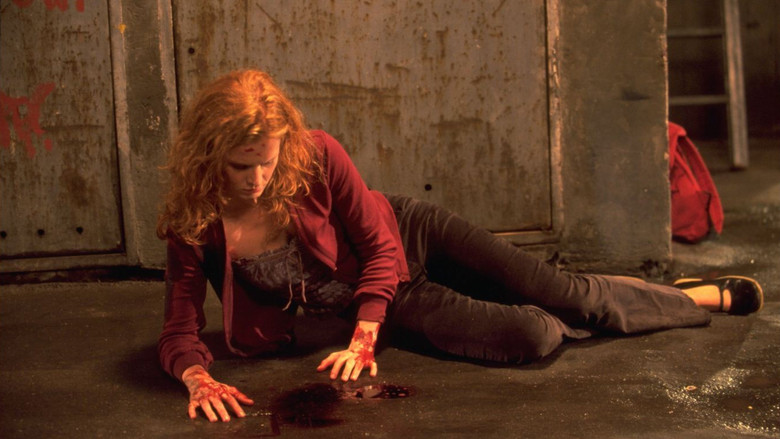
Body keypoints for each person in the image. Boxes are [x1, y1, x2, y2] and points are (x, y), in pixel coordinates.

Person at [156, 69, 763, 423]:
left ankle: (691, 299)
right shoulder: (195, 219)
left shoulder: (314, 153)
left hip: (409, 238)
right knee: (534, 335)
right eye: (241, 166)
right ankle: (614, 307)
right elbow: (179, 327)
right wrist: (196, 378)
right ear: (211, 154)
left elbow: (378, 245)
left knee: (565, 292)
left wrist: (364, 334)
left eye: (266, 162)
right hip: (396, 296)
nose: (259, 179)